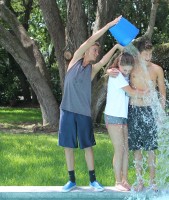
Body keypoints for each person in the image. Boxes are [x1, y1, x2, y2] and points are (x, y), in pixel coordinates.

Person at [58, 15, 123, 192]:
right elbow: (92, 39)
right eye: (94, 50)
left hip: (84, 113)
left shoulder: (92, 70)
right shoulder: (75, 61)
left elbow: (103, 62)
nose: (96, 52)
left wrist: (117, 47)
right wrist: (110, 24)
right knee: (68, 146)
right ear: (86, 50)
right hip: (67, 111)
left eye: (97, 51)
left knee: (87, 146)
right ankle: (71, 180)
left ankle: (93, 180)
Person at [107, 38, 166, 191]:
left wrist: (161, 113)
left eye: (150, 54)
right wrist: (108, 71)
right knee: (136, 149)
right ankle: (140, 181)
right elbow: (118, 70)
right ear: (138, 55)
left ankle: (153, 181)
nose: (148, 57)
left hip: (149, 111)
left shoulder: (157, 69)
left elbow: (162, 93)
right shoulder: (131, 67)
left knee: (151, 149)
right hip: (133, 110)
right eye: (145, 54)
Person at [104, 52, 147, 191]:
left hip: (123, 117)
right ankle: (117, 182)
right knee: (119, 150)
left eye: (129, 70)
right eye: (124, 69)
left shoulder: (123, 75)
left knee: (125, 149)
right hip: (113, 116)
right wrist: (147, 92)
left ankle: (125, 180)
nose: (127, 72)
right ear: (119, 65)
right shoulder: (117, 76)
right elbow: (131, 92)